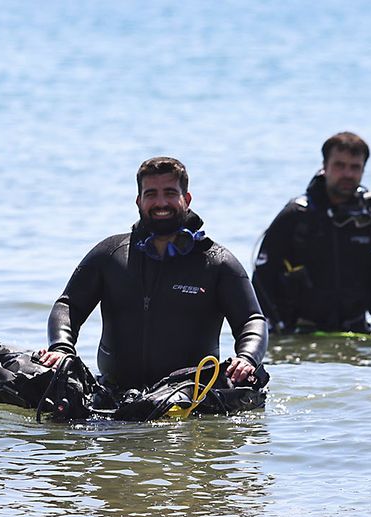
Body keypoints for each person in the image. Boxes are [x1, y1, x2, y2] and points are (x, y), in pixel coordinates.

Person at [42, 156, 266, 392]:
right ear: (139, 201)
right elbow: (68, 306)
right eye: (151, 194)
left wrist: (247, 358)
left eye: (170, 193)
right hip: (113, 394)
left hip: (189, 398)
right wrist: (61, 349)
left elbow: (251, 320)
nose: (161, 203)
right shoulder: (109, 255)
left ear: (186, 199)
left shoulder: (217, 262)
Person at [251, 132, 371, 335]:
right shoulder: (296, 215)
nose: (347, 174)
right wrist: (257, 334)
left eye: (355, 167)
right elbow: (260, 281)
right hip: (299, 333)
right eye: (339, 165)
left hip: (357, 330)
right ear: (325, 166)